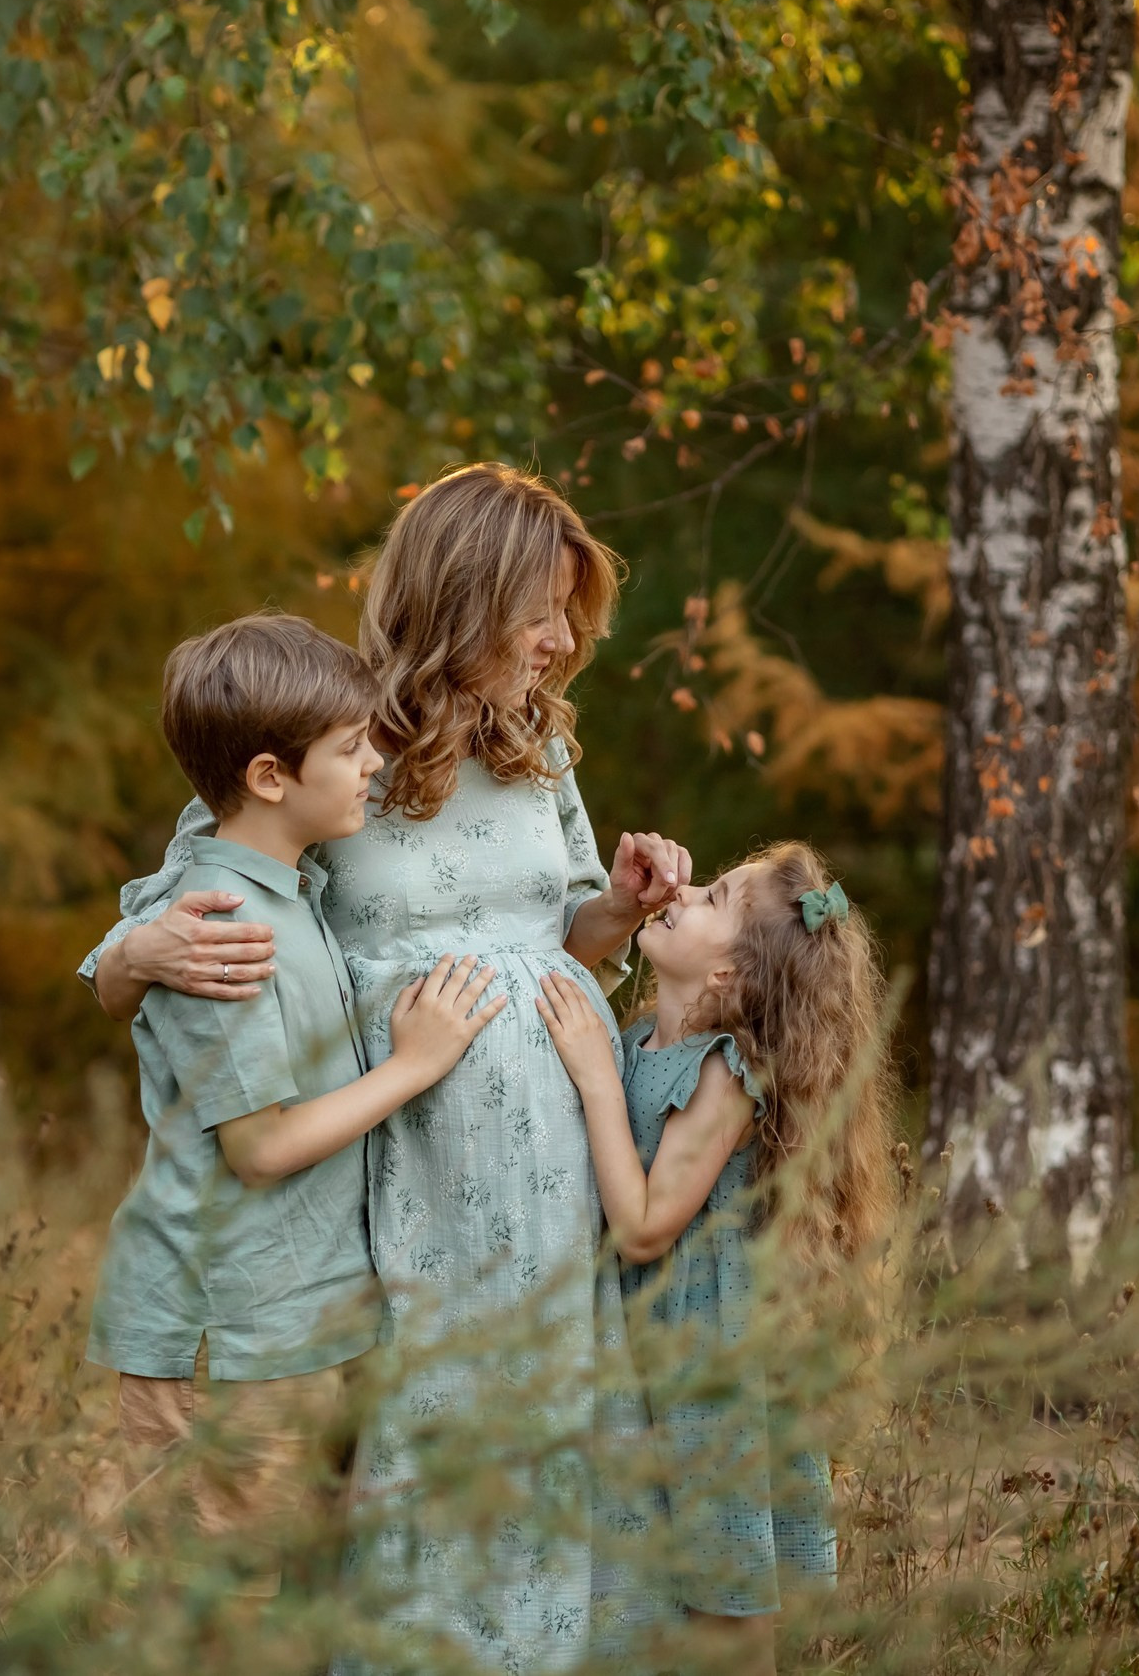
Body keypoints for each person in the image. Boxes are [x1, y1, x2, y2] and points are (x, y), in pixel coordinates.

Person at [83, 464, 694, 1667]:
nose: (562, 641)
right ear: (467, 597)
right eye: (541, 612)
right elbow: (197, 896)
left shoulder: (542, 753)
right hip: (396, 1156)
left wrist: (614, 915)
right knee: (408, 1422)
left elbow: (548, 940)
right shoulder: (329, 740)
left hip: (550, 1167)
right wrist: (126, 954)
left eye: (571, 614)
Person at [86, 612, 508, 1589]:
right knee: (215, 1608)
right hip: (224, 1330)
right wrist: (412, 1065)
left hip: (288, 1320)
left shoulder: (285, 881)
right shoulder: (223, 925)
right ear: (271, 778)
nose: (373, 766)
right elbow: (260, 1149)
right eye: (352, 749)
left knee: (299, 1600)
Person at [534, 842, 894, 1674]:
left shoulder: (726, 1074)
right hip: (645, 1349)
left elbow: (648, 1226)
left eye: (713, 897)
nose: (686, 891)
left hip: (705, 1363)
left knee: (719, 1611)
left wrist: (592, 1078)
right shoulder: (636, 1039)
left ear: (732, 973)